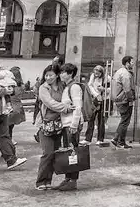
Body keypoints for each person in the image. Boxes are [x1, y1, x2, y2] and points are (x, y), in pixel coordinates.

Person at [35, 64, 75, 191]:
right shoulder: (43, 88)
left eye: (51, 75)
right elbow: (50, 103)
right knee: (47, 153)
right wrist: (66, 108)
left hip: (59, 124)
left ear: (56, 75)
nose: (48, 77)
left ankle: (48, 181)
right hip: (45, 124)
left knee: (54, 154)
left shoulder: (62, 86)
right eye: (46, 75)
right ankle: (41, 181)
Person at [56, 63, 83, 191]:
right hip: (66, 123)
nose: (61, 74)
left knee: (73, 153)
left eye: (64, 72)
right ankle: (68, 178)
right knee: (68, 152)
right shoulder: (67, 87)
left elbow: (78, 107)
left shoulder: (74, 87)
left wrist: (74, 124)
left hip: (71, 124)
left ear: (70, 73)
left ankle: (73, 180)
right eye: (61, 72)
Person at [110, 55, 135, 149]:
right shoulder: (125, 74)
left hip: (119, 99)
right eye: (132, 62)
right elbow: (127, 89)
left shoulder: (119, 72)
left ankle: (119, 140)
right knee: (125, 121)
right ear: (127, 63)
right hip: (124, 100)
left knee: (124, 120)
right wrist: (131, 99)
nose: (133, 64)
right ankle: (118, 140)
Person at [84, 65, 108, 146]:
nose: (96, 75)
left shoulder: (107, 78)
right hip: (95, 99)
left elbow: (111, 89)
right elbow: (89, 85)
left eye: (98, 73)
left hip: (104, 99)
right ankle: (88, 139)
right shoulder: (93, 76)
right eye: (95, 73)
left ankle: (100, 139)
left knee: (101, 120)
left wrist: (104, 90)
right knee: (91, 119)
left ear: (102, 72)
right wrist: (95, 94)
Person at [7, 67, 26, 144]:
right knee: (11, 126)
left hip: (10, 106)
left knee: (7, 126)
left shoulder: (11, 85)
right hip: (18, 106)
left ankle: (8, 139)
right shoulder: (21, 86)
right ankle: (10, 139)